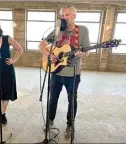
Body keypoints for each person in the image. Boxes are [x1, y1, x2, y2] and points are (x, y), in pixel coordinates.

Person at [39, 5, 90, 137]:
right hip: (55, 72)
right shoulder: (58, 30)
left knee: (72, 100)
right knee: (52, 99)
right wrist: (48, 54)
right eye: (63, 15)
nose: (64, 17)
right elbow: (41, 45)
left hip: (73, 74)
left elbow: (87, 53)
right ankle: (50, 120)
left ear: (74, 16)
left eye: (67, 15)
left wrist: (81, 54)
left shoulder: (82, 30)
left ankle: (70, 124)